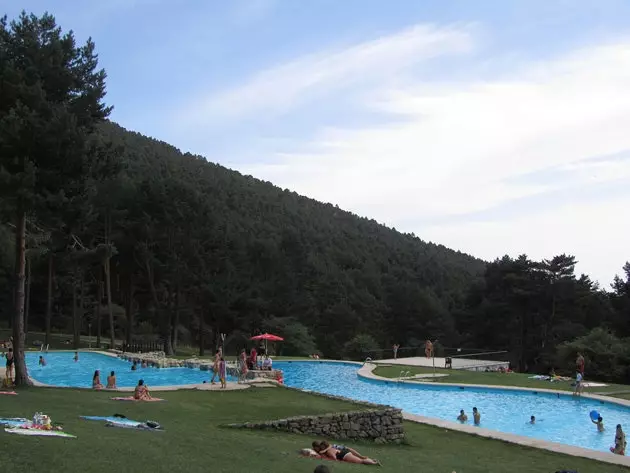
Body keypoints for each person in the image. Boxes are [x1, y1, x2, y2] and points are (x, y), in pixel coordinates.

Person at [314, 440, 380, 465]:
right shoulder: (331, 447)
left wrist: (336, 461)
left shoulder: (328, 451)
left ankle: (374, 463)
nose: (321, 448)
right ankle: (373, 460)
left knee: (361, 461)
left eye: (321, 447)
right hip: (345, 453)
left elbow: (334, 457)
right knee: (360, 460)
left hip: (344, 455)